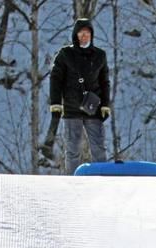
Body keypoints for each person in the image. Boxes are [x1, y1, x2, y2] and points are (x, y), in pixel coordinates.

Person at [49, 18, 111, 175]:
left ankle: (102, 178)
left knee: (99, 148)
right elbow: (55, 80)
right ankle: (73, 181)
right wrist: (56, 103)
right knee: (72, 149)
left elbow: (105, 82)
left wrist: (105, 104)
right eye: (81, 33)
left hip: (93, 109)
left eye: (87, 33)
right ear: (75, 35)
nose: (84, 37)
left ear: (92, 35)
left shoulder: (100, 55)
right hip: (71, 108)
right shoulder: (65, 54)